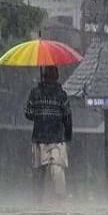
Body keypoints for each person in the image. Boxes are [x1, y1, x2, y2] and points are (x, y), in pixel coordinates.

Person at [24, 65, 72, 202]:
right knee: (57, 171)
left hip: (39, 138)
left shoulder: (35, 93)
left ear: (43, 76)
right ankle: (60, 200)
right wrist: (68, 137)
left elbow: (28, 114)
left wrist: (39, 115)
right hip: (56, 139)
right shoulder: (61, 95)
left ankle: (38, 200)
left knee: (39, 172)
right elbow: (67, 117)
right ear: (56, 77)